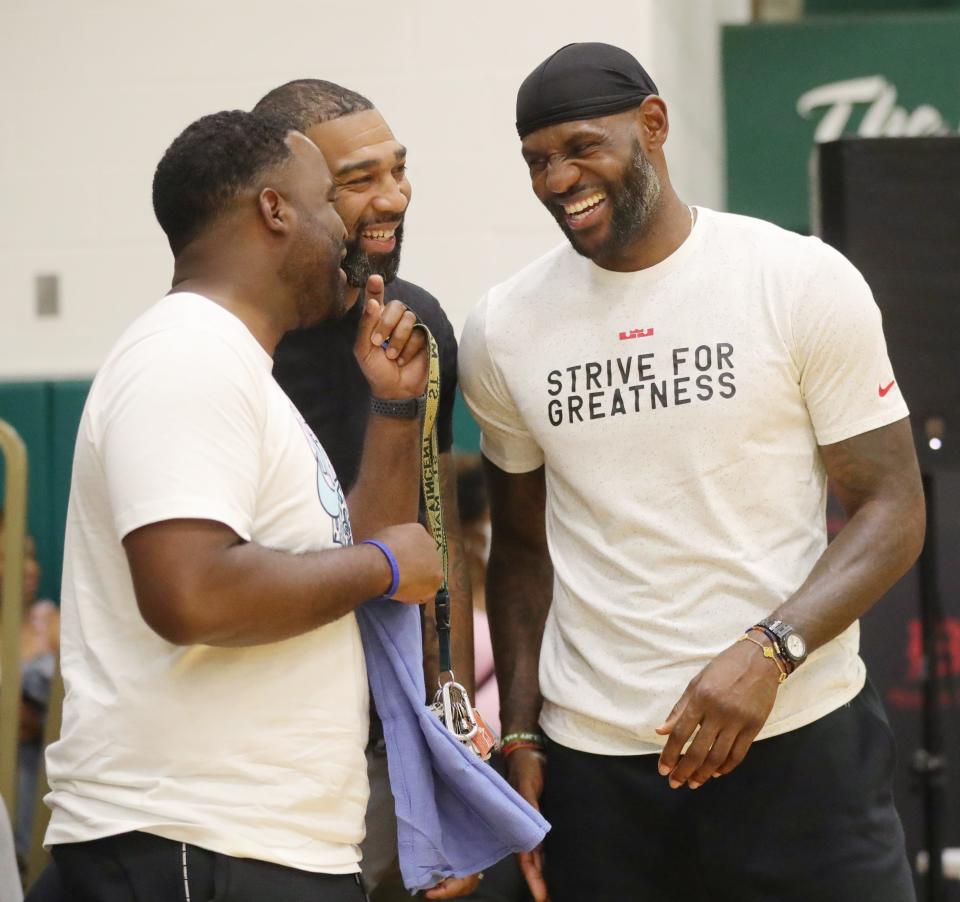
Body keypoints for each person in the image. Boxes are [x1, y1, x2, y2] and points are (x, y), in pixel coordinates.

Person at [459, 42, 926, 902]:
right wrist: (520, 732)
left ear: (654, 125)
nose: (558, 179)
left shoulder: (793, 279)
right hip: (600, 770)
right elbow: (520, 548)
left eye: (580, 148)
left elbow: (892, 506)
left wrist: (769, 651)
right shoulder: (503, 327)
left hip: (797, 739)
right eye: (536, 161)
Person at [40, 108, 445, 901]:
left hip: (252, 845)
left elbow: (348, 576)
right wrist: (386, 561)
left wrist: (394, 411)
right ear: (274, 210)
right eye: (329, 200)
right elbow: (192, 594)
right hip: (195, 843)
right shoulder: (186, 356)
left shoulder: (236, 368)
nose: (347, 227)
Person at [253, 80, 477, 900]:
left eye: (400, 170)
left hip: (385, 724)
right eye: (359, 181)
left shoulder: (418, 321)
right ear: (284, 201)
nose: (393, 199)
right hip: (266, 732)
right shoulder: (236, 341)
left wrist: (445, 731)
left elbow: (433, 529)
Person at [0, 511, 59, 866]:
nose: (31, 568)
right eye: (11, 557)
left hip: (37, 797)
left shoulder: (50, 626)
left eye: (32, 556)